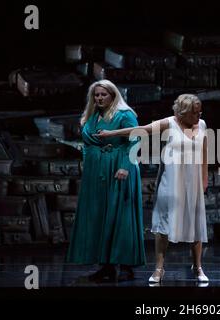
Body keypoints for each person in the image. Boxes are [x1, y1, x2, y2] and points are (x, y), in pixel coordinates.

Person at [94, 94, 209, 283]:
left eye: (200, 112)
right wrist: (110, 133)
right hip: (170, 182)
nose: (199, 115)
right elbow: (140, 130)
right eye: (195, 112)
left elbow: (204, 154)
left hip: (193, 183)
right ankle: (158, 269)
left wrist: (204, 180)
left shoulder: (202, 125)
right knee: (163, 226)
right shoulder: (169, 124)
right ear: (183, 113)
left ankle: (197, 267)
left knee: (195, 226)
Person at [66, 79, 146, 282]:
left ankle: (126, 266)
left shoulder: (125, 114)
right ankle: (106, 266)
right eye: (96, 95)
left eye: (103, 94)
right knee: (100, 216)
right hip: (96, 172)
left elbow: (136, 139)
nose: (99, 98)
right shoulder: (92, 115)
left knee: (121, 217)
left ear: (113, 95)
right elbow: (87, 145)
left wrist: (125, 166)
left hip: (119, 168)